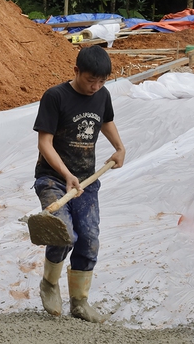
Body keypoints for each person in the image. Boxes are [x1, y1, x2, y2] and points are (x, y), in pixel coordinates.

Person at [32, 45, 126, 323]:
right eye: (90, 80)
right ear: (76, 71)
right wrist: (65, 175)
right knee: (62, 232)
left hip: (86, 180)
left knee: (88, 238)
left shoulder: (102, 95)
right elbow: (44, 143)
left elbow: (105, 121)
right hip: (52, 178)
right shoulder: (55, 97)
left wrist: (119, 147)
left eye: (102, 81)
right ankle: (49, 283)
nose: (95, 86)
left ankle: (80, 302)